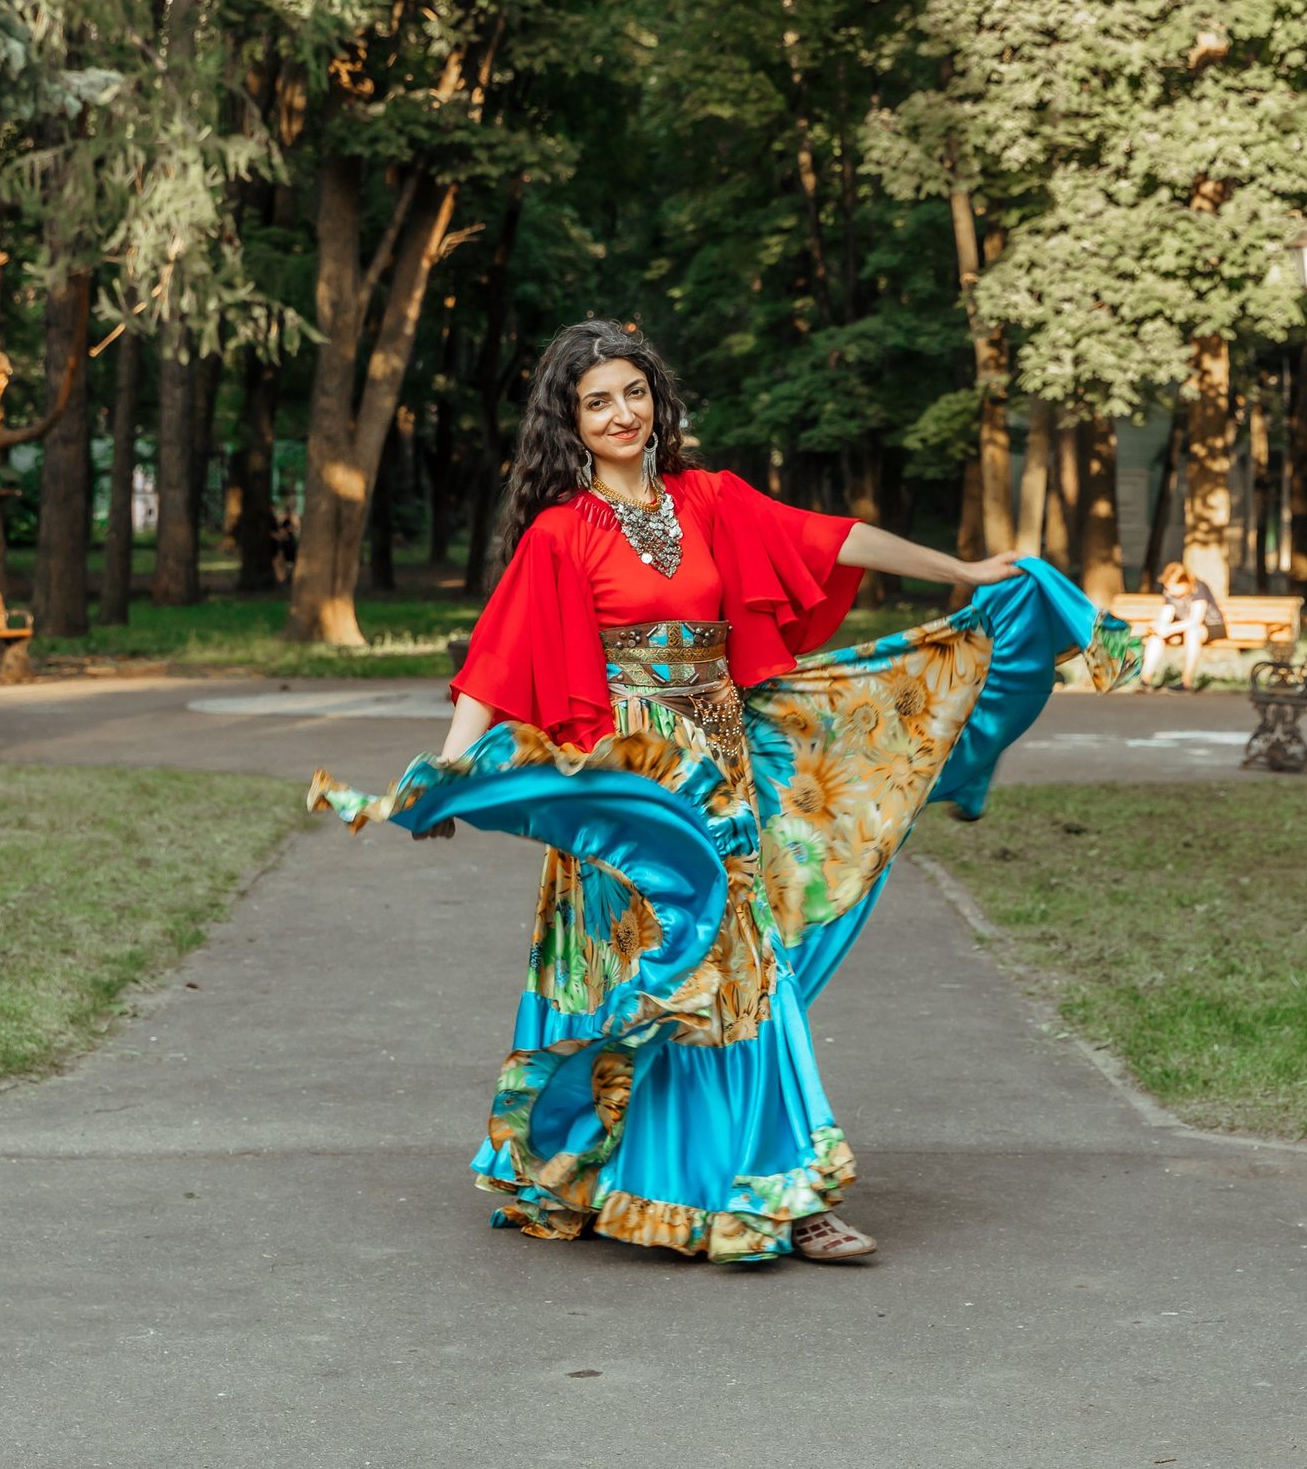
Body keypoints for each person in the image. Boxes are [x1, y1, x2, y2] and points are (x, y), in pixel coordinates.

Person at [311, 321, 1129, 1265]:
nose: (622, 414)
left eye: (633, 393)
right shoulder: (561, 532)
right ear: (569, 422)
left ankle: (786, 1195)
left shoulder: (707, 500)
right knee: (651, 977)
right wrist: (453, 770)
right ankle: (638, 1180)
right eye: (597, 402)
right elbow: (499, 660)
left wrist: (962, 571)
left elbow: (834, 538)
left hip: (723, 770)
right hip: (629, 787)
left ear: (656, 399)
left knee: (747, 975)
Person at [1140, 560, 1226, 692]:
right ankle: (1144, 680)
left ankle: (1186, 681)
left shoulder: (1198, 587)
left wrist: (1169, 629)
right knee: (1156, 637)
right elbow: (1167, 613)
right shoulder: (1169, 592)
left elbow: (1195, 620)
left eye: (1174, 587)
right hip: (1182, 626)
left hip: (1210, 625)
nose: (1171, 591)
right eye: (1168, 587)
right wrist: (1160, 626)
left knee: (1192, 632)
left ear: (1185, 582)